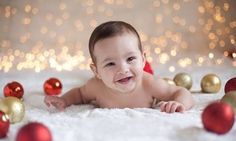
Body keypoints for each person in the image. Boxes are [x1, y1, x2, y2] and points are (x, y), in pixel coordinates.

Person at [44, 21, 194, 113]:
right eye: (110, 63)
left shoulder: (149, 84)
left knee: (141, 70)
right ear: (96, 71)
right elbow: (79, 94)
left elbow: (181, 92)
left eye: (130, 58)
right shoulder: (95, 86)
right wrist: (64, 100)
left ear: (142, 59)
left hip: (142, 72)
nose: (122, 69)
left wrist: (179, 103)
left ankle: (130, 64)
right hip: (127, 71)